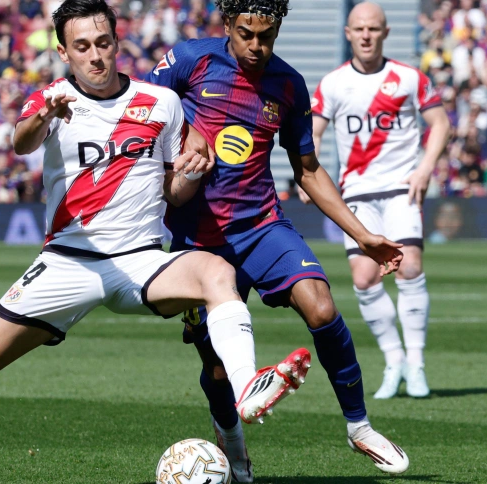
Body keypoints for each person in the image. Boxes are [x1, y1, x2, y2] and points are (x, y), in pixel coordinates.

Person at [0, 1, 310, 481]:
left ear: (117, 43)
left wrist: (192, 175)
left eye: (103, 43)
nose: (95, 55)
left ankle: (248, 387)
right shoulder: (52, 100)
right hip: (68, 263)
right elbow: (21, 141)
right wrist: (46, 112)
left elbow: (173, 193)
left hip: (139, 261)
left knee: (215, 272)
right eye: (82, 46)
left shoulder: (162, 103)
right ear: (64, 51)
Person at [146, 0, 410, 479]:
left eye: (266, 36)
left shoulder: (288, 84)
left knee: (322, 307)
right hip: (198, 242)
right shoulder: (189, 60)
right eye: (246, 33)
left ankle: (359, 427)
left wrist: (365, 236)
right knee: (220, 370)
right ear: (227, 25)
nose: (256, 46)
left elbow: (307, 171)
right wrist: (182, 138)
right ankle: (231, 441)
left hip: (262, 225)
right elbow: (140, 116)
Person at [307, 2, 451, 399]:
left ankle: (417, 363)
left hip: (401, 188)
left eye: (374, 28)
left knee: (409, 267)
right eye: (359, 29)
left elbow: (440, 124)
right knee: (364, 278)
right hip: (355, 193)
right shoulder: (333, 84)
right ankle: (394, 360)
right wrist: (307, 174)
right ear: (348, 34)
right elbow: (313, 134)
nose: (366, 35)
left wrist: (424, 169)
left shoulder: (408, 78)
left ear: (385, 33)